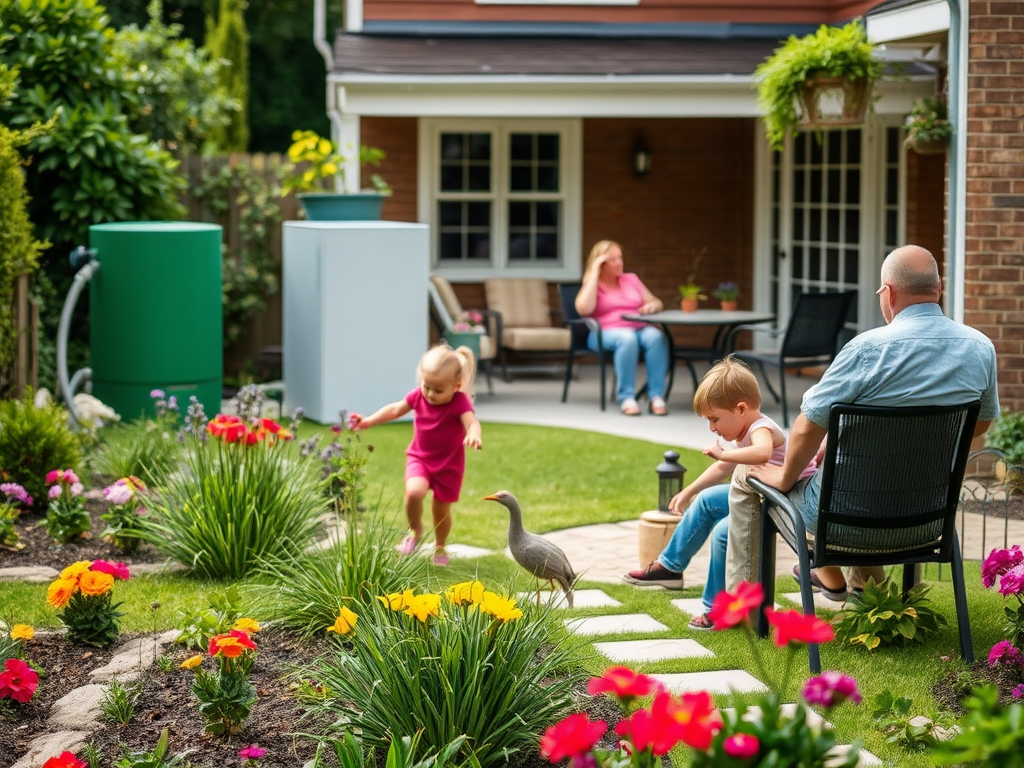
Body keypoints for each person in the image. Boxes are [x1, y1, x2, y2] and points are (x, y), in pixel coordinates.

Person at [728, 244, 1000, 596]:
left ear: (888, 293)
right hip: (928, 521)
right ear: (939, 289)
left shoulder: (866, 350)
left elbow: (808, 425)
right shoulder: (980, 347)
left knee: (744, 474)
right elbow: (979, 425)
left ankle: (740, 608)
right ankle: (866, 597)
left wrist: (783, 478)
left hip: (843, 522)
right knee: (855, 472)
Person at [623, 357, 817, 628]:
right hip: (757, 496)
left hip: (781, 498)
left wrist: (726, 452)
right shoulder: (743, 430)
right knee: (711, 513)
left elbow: (761, 452)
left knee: (723, 530)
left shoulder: (762, 428)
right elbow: (723, 467)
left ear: (741, 409)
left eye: (715, 419)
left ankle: (708, 601)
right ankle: (675, 571)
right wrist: (690, 490)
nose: (712, 428)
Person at [350, 343, 483, 566]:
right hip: (419, 458)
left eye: (438, 390)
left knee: (440, 509)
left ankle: (440, 546)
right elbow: (395, 409)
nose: (430, 394)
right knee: (414, 492)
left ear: (456, 385)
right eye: (426, 386)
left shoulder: (460, 402)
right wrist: (369, 421)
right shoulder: (418, 396)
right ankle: (415, 532)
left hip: (449, 465)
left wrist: (474, 434)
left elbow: (472, 422)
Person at [574, 240, 670, 416]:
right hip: (603, 333)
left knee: (656, 336)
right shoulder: (594, 285)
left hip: (639, 328)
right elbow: (583, 309)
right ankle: (627, 397)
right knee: (627, 338)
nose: (619, 263)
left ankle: (656, 397)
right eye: (613, 259)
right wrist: (594, 270)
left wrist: (651, 307)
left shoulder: (630, 279)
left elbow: (656, 301)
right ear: (601, 262)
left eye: (620, 258)